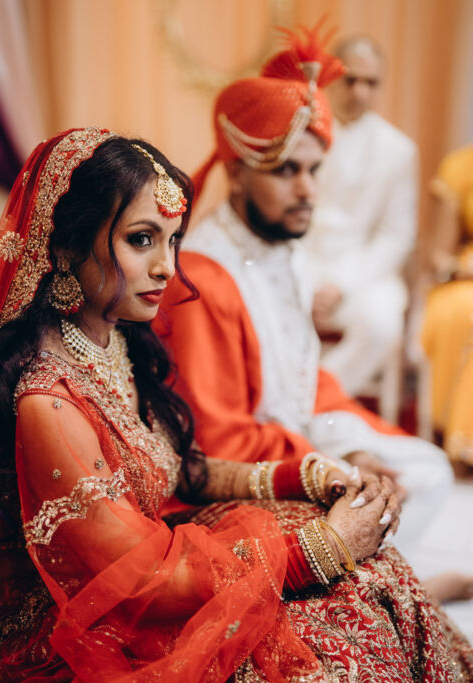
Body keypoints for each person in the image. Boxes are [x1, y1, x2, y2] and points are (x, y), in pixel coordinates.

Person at [0, 129, 471, 683]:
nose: (166, 267)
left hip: (159, 566)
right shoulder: (48, 402)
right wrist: (321, 549)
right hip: (101, 631)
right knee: (334, 631)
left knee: (369, 574)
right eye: (141, 239)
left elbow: (183, 472)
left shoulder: (110, 338)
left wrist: (307, 476)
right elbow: (143, 586)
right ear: (67, 247)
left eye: (173, 240)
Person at [155, 26, 456, 571]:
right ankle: (386, 579)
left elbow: (302, 376)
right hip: (239, 473)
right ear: (237, 174)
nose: (308, 191)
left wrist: (353, 442)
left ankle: (388, 574)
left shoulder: (285, 251)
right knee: (366, 495)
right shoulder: (203, 279)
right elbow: (219, 442)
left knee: (428, 470)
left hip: (296, 432)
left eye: (315, 170)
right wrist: (330, 462)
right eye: (286, 171)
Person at [303, 35, 418, 396]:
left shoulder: (399, 150)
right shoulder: (299, 135)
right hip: (302, 258)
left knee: (382, 324)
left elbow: (397, 234)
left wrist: (341, 283)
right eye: (351, 80)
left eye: (371, 82)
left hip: (363, 270)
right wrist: (307, 278)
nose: (360, 92)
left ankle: (318, 393)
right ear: (330, 78)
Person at [421, 145, 473, 471]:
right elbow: (438, 256)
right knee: (465, 307)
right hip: (466, 279)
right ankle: (461, 442)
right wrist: (460, 268)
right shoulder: (462, 166)